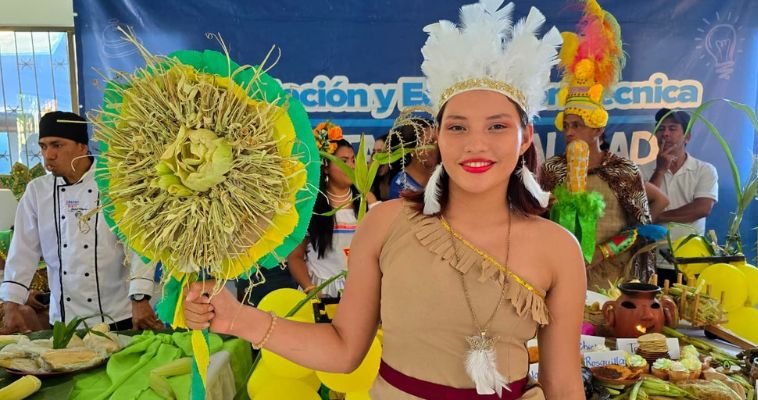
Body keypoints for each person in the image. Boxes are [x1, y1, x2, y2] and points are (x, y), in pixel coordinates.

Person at [184, 2, 585, 399]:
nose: (475, 144)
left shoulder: (558, 249)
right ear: (438, 137)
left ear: (526, 136)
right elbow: (344, 349)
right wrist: (237, 318)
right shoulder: (385, 223)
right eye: (457, 127)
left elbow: (564, 385)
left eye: (497, 126)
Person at [0, 111, 162, 332]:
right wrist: (11, 305)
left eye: (57, 145)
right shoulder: (37, 192)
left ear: (82, 147)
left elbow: (138, 244)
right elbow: (22, 251)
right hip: (63, 321)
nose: (48, 155)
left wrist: (140, 297)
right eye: (44, 146)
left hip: (117, 315)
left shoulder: (114, 184)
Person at [541, 0, 656, 290]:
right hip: (561, 275)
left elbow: (638, 230)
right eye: (566, 125)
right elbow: (535, 222)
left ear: (598, 128)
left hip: (612, 279)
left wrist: (598, 254)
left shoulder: (623, 170)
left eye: (577, 125)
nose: (570, 132)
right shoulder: (553, 168)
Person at [287, 127, 376, 298]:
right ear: (326, 167)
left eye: (353, 160)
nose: (351, 166)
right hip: (322, 291)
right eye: (344, 161)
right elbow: (295, 257)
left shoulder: (366, 201)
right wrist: (310, 289)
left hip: (360, 292)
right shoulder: (311, 207)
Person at [640, 108, 718, 284]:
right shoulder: (641, 170)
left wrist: (657, 216)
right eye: (661, 129)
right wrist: (660, 170)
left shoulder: (704, 170)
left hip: (689, 261)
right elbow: (642, 208)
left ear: (687, 137)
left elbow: (702, 208)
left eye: (672, 129)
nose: (665, 134)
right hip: (651, 259)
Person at [387, 118, 438, 199]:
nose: (437, 147)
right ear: (412, 150)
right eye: (430, 142)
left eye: (439, 141)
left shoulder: (447, 175)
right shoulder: (400, 185)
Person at [369, 134, 392, 201]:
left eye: (380, 152)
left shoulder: (402, 181)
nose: (375, 157)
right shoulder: (371, 184)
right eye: (374, 152)